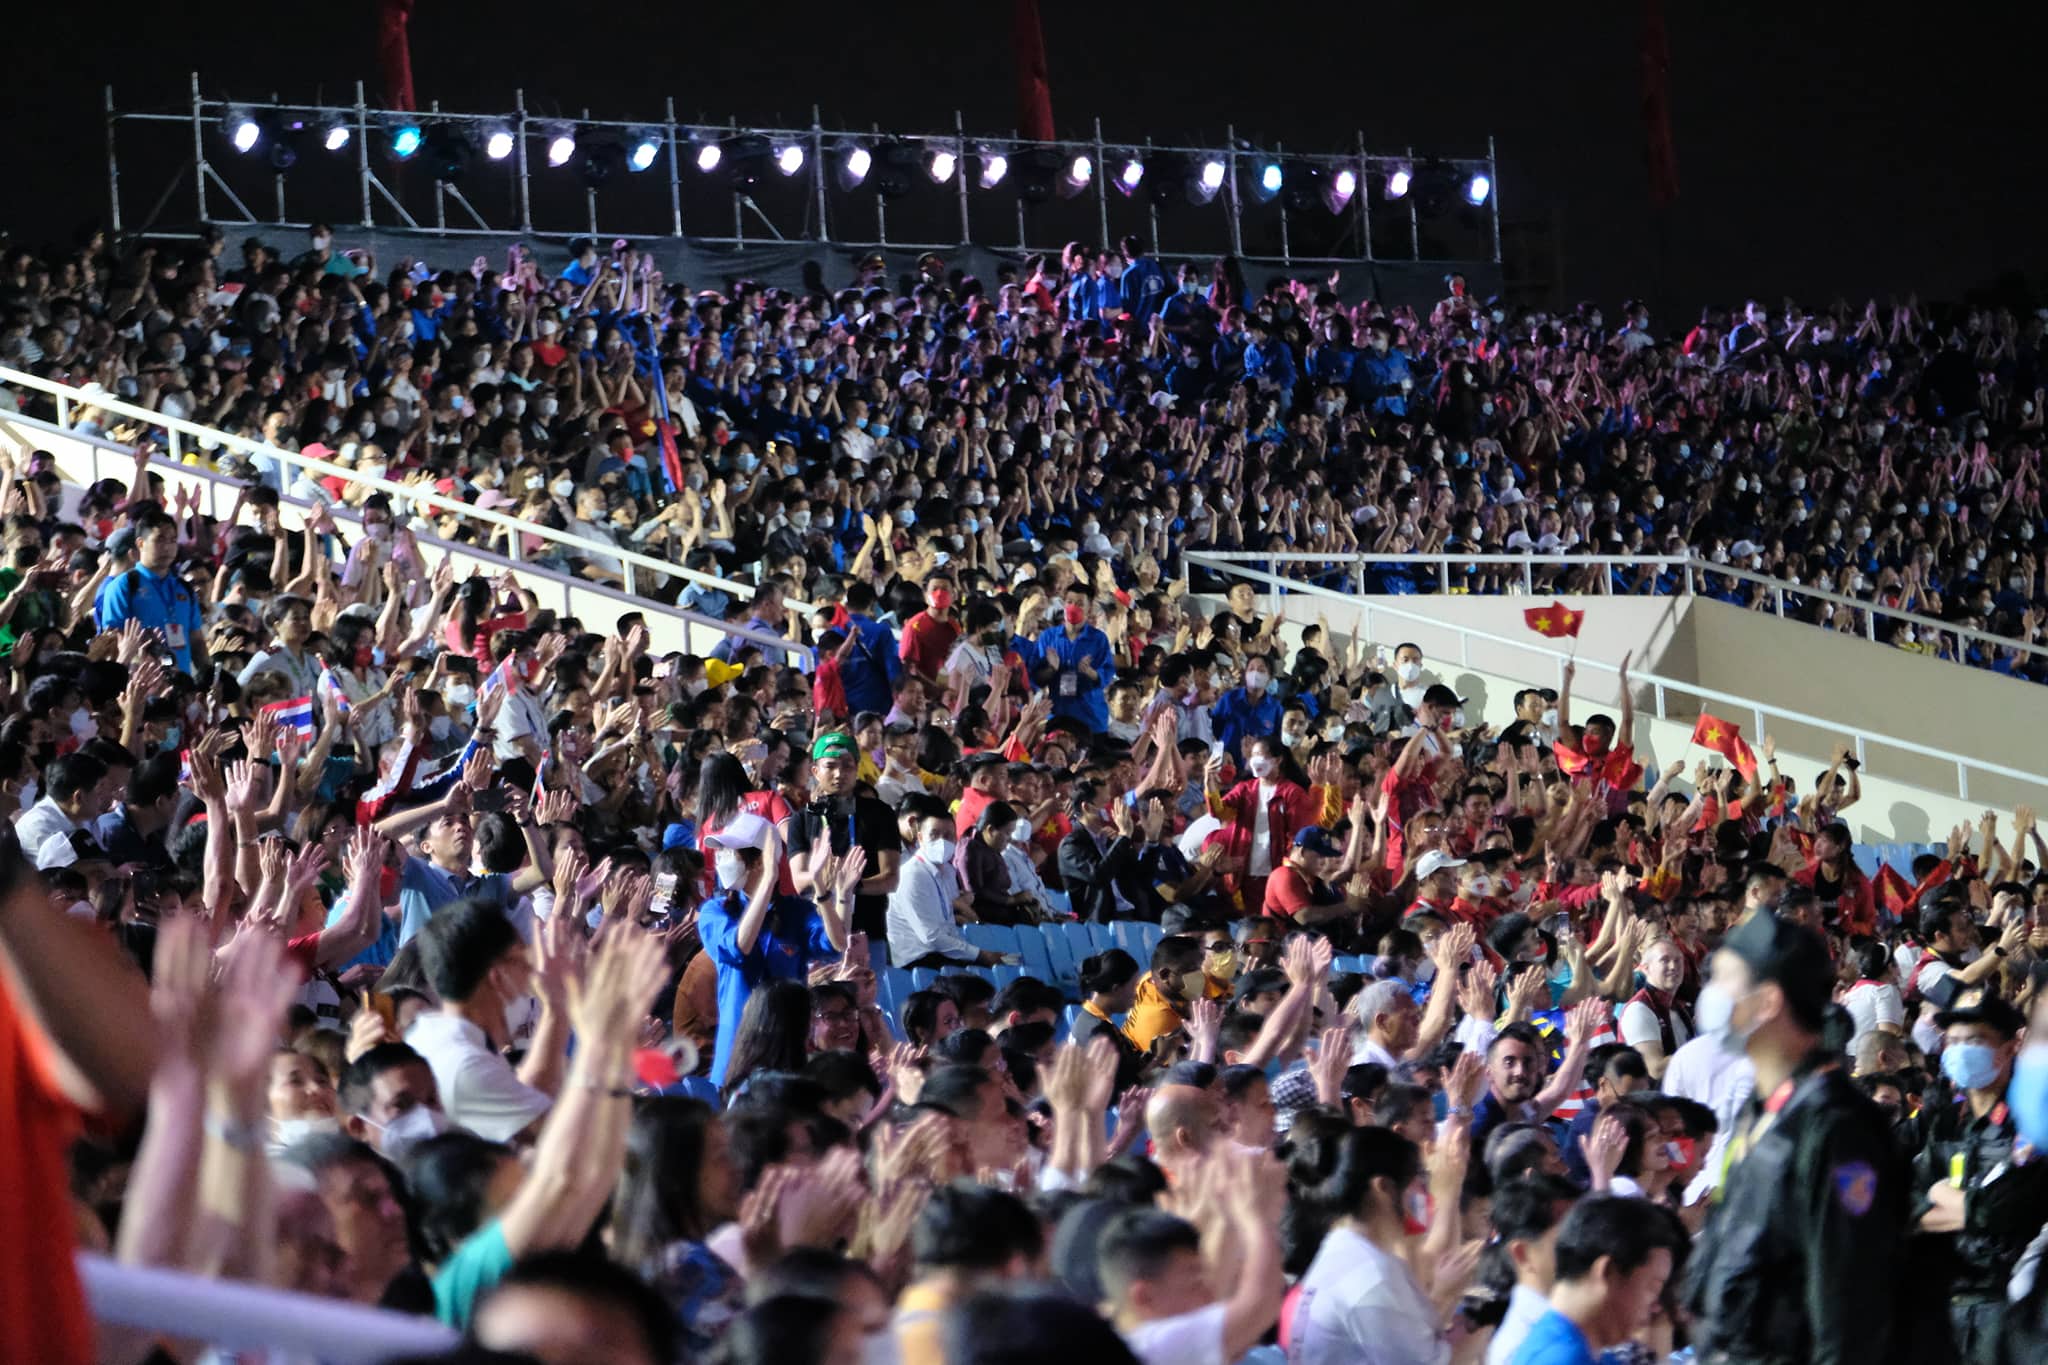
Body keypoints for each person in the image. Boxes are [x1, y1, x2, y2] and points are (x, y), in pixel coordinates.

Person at [1683, 912, 1907, 1365]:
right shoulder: (1763, 1109)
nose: (1710, 996)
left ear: (1767, 1001)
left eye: (1725, 980)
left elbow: (1848, 1305)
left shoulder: (1837, 1125)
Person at [1905, 995, 2048, 1364]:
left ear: (2010, 1046)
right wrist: (1968, 1207)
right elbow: (1910, 1204)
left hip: (2010, 1308)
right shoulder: (1948, 1121)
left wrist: (1953, 1200)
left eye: (1974, 1041)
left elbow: (2004, 1208)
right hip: (1947, 1301)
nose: (1959, 1051)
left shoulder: (2031, 1120)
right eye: (1952, 1042)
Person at [697, 811, 851, 1087]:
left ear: (758, 860)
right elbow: (740, 944)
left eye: (729, 853)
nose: (720, 860)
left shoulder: (795, 912)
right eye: (719, 853)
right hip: (736, 1052)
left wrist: (823, 889)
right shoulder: (715, 911)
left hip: (786, 1051)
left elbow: (837, 944)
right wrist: (768, 880)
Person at [1507, 1195, 1685, 1365]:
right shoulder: (1562, 1358)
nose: (1656, 1306)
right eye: (1653, 1287)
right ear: (1607, 1272)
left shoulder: (1582, 1350)